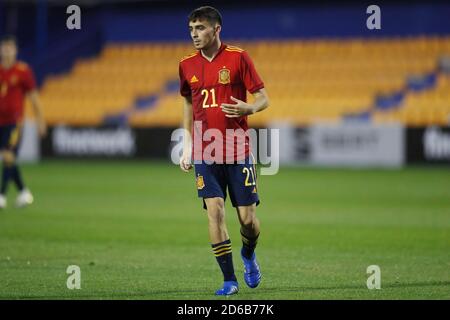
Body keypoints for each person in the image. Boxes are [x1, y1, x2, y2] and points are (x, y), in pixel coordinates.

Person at [178, 6, 269, 295]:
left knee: (248, 220)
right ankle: (229, 280)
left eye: (200, 28)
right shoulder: (186, 65)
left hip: (237, 149)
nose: (194, 33)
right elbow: (189, 104)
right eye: (192, 28)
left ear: (216, 29)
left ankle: (249, 254)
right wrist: (187, 144)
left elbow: (263, 98)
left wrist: (250, 107)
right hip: (206, 151)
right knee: (214, 212)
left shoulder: (238, 57)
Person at [0, 35, 46, 209]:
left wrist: (40, 121)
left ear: (15, 50)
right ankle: (24, 192)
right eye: (4, 47)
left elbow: (34, 98)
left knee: (8, 155)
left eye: (10, 48)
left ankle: (2, 195)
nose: (6, 51)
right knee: (9, 159)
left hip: (15, 122)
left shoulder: (23, 71)